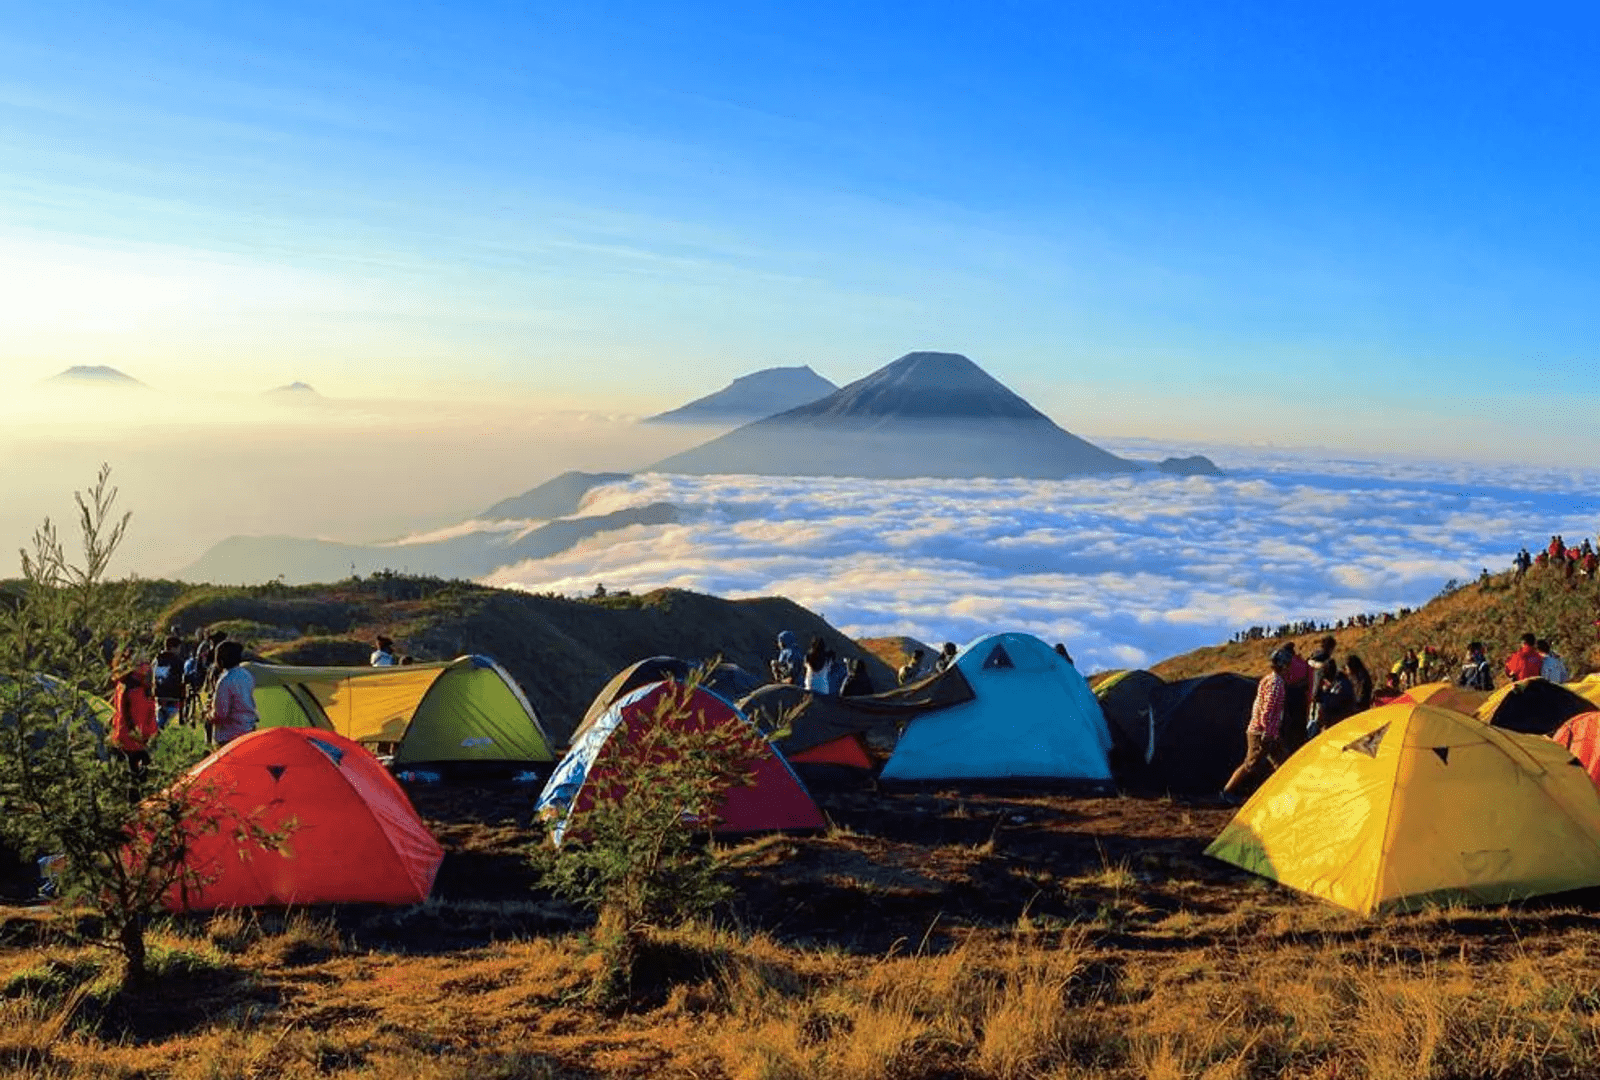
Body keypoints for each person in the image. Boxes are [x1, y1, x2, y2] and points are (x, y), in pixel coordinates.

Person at [1221, 648, 1291, 803]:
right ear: (1283, 665)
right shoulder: (1276, 683)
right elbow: (1268, 710)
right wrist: (1267, 733)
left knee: (1282, 762)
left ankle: (1281, 795)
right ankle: (1227, 791)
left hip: (1266, 731)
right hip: (1263, 732)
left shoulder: (1268, 679)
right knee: (1251, 763)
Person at [110, 651, 159, 786]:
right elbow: (136, 715)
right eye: (144, 663)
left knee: (135, 772)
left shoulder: (125, 684)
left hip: (126, 736)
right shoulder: (135, 688)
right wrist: (144, 734)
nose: (148, 666)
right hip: (133, 738)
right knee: (140, 773)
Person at [210, 641, 258, 745]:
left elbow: (221, 714)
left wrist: (209, 715)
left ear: (220, 660)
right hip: (248, 730)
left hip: (229, 736)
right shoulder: (247, 675)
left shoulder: (225, 680)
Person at [1279, 643, 1313, 749]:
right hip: (1303, 697)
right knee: (1300, 728)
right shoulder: (1304, 663)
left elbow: (1282, 680)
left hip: (1289, 698)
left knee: (1289, 728)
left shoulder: (1287, 664)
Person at [1309, 660, 1355, 737]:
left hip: (1341, 725)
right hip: (1338, 723)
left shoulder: (1341, 685)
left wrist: (1320, 692)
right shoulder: (1340, 682)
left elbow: (1331, 704)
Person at [152, 634, 185, 729]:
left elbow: (156, 678)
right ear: (173, 648)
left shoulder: (157, 660)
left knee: (159, 726)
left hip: (159, 698)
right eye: (178, 648)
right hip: (174, 698)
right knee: (172, 728)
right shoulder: (177, 661)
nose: (179, 651)